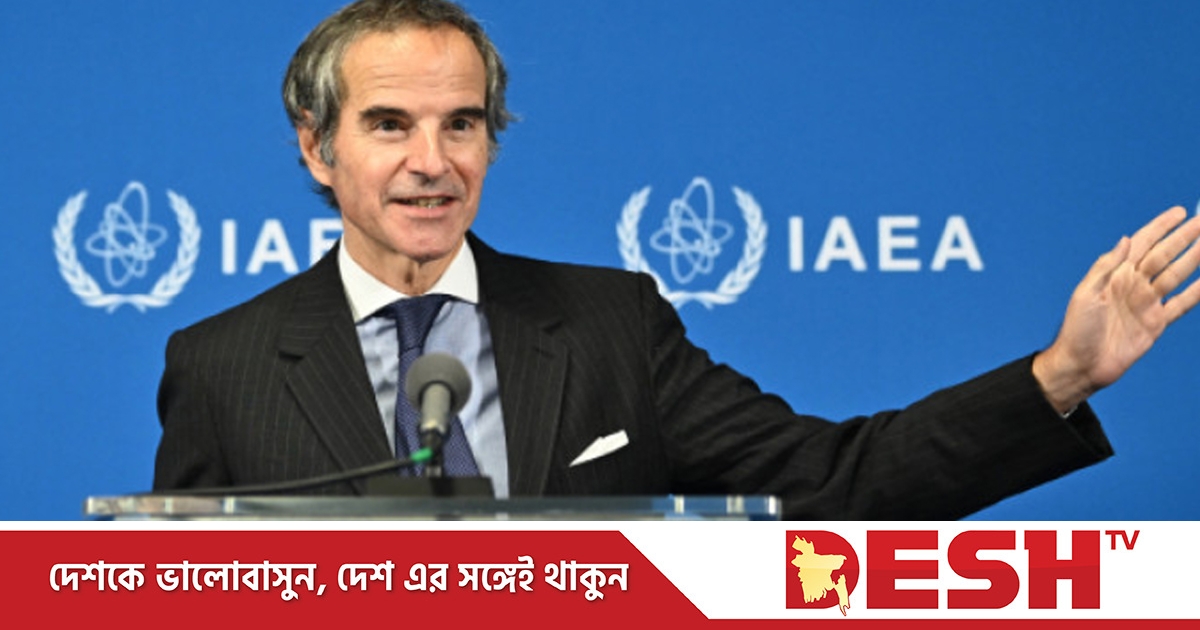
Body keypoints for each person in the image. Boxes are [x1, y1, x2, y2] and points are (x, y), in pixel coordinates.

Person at [153, 0, 1200, 519]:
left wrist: (1059, 375)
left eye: (461, 124)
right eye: (390, 124)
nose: (433, 162)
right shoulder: (223, 363)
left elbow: (832, 483)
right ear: (316, 146)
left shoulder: (608, 324)